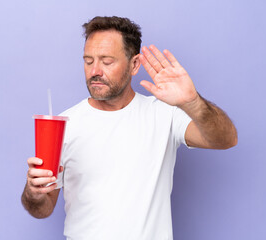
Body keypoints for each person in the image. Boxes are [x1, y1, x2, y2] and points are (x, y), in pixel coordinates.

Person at [21, 16, 237, 239]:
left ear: (134, 65)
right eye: (88, 61)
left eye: (106, 62)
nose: (95, 70)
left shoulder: (164, 114)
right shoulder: (65, 124)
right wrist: (34, 192)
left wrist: (192, 103)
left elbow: (225, 139)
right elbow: (43, 209)